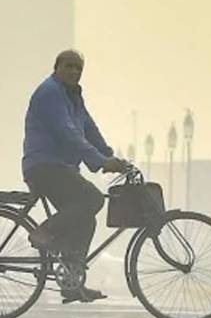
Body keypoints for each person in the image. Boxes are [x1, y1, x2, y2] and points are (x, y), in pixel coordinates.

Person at [22, 49, 130, 304]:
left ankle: (72, 284)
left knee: (85, 222)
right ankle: (43, 232)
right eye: (69, 66)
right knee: (93, 199)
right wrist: (101, 162)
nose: (74, 72)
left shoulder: (73, 96)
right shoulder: (51, 93)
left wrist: (108, 155)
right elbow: (68, 133)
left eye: (78, 69)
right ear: (56, 67)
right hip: (45, 165)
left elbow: (88, 128)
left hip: (59, 167)